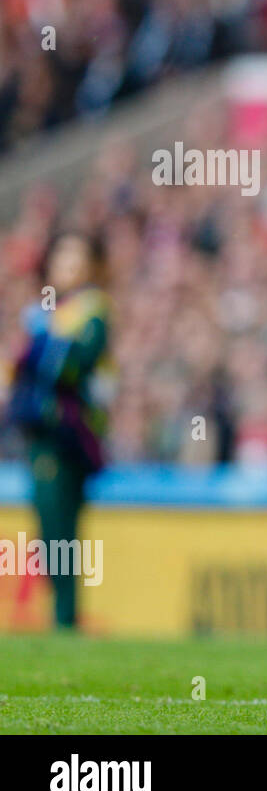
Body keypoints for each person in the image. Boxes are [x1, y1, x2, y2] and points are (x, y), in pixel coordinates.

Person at [6, 232, 111, 630]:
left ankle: (65, 617)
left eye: (76, 258)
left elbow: (69, 367)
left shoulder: (92, 312)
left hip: (69, 436)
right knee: (49, 528)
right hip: (41, 435)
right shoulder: (50, 312)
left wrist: (43, 340)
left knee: (61, 528)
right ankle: (62, 615)